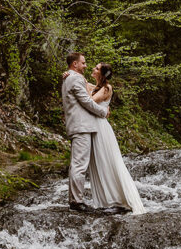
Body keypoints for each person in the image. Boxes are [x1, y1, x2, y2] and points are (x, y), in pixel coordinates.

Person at [61, 56, 145, 215]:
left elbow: (88, 99)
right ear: (75, 64)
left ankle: (114, 198)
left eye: (96, 68)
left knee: (106, 162)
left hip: (98, 127)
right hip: (89, 126)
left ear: (103, 73)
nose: (90, 67)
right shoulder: (88, 84)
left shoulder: (106, 88)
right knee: (90, 164)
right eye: (85, 64)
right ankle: (90, 200)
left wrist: (73, 77)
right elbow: (85, 94)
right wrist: (69, 74)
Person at [61, 51, 109, 212]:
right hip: (81, 126)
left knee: (78, 164)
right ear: (75, 64)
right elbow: (86, 102)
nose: (86, 65)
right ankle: (76, 201)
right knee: (79, 165)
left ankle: (75, 199)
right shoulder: (74, 78)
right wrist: (103, 112)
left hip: (81, 126)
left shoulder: (72, 78)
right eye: (83, 62)